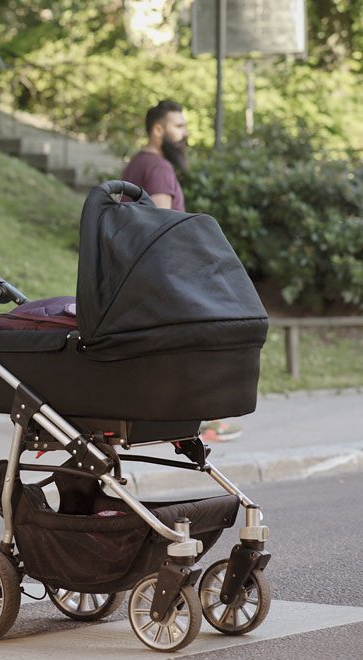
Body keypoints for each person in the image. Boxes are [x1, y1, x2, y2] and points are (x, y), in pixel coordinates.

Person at [122, 99, 242, 443]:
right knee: (200, 338)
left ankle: (174, 417)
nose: (184, 134)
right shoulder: (158, 168)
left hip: (137, 274)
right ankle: (203, 421)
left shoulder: (135, 164)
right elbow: (160, 227)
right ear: (158, 130)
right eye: (178, 126)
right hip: (161, 274)